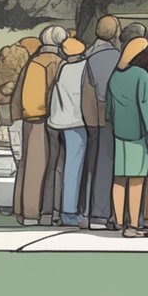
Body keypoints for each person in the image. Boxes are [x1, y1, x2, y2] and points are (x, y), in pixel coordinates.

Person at [12, 25, 66, 227]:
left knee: (32, 166)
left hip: (33, 120)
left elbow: (25, 99)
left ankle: (27, 212)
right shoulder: (59, 62)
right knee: (51, 166)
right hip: (51, 120)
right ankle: (45, 212)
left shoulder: (34, 62)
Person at [107, 37, 148, 238]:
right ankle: (134, 225)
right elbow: (147, 110)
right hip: (138, 136)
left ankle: (119, 221)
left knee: (119, 179)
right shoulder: (141, 76)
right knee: (137, 180)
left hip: (119, 134)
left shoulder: (115, 76)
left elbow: (108, 111)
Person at [81, 16, 123, 231]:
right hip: (115, 118)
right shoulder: (120, 57)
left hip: (93, 118)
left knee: (93, 166)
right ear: (116, 33)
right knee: (111, 167)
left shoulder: (89, 58)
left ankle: (91, 214)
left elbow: (87, 91)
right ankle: (107, 214)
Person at [47, 37, 89, 227]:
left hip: (58, 122)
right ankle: (70, 213)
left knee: (62, 167)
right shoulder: (84, 68)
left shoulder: (63, 69)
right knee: (75, 167)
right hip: (77, 123)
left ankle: (59, 210)